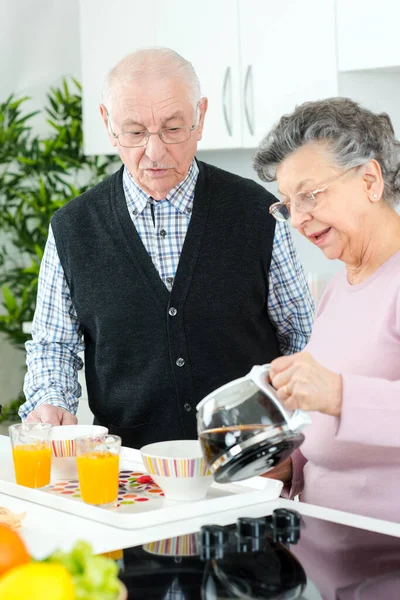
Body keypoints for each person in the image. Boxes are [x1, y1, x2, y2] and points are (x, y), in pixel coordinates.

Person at [21, 48, 314, 448]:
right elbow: (54, 346)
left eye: (173, 129)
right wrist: (50, 402)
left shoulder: (258, 212)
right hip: (132, 475)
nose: (155, 153)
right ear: (108, 123)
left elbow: (301, 337)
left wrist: (299, 443)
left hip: (250, 465)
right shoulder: (73, 228)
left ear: (201, 117)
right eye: (136, 132)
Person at [253, 97, 400, 521]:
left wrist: (336, 392)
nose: (297, 219)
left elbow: (340, 397)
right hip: (328, 544)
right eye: (287, 204)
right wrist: (291, 466)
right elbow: (332, 431)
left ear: (370, 181)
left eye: (309, 196)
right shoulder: (340, 285)